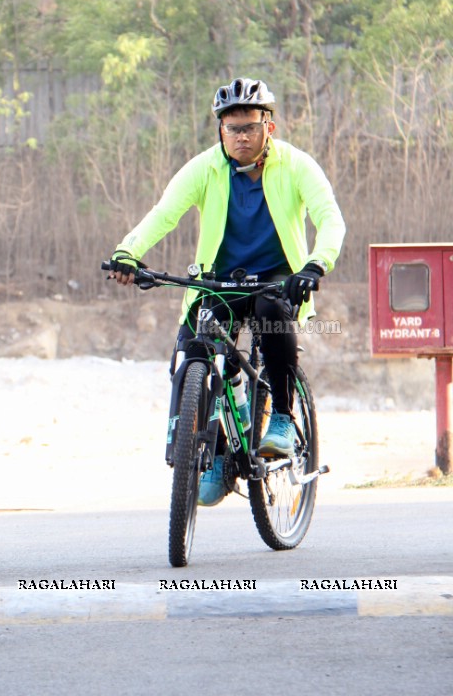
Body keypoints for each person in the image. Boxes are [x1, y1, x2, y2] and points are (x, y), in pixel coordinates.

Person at [107, 77, 345, 506]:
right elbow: (164, 215)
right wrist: (127, 252)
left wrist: (314, 264)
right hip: (219, 279)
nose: (240, 136)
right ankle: (214, 449)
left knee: (272, 312)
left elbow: (330, 219)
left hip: (276, 278)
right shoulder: (205, 168)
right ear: (220, 129)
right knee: (193, 350)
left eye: (249, 127)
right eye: (232, 128)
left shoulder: (296, 165)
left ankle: (284, 421)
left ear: (268, 126)